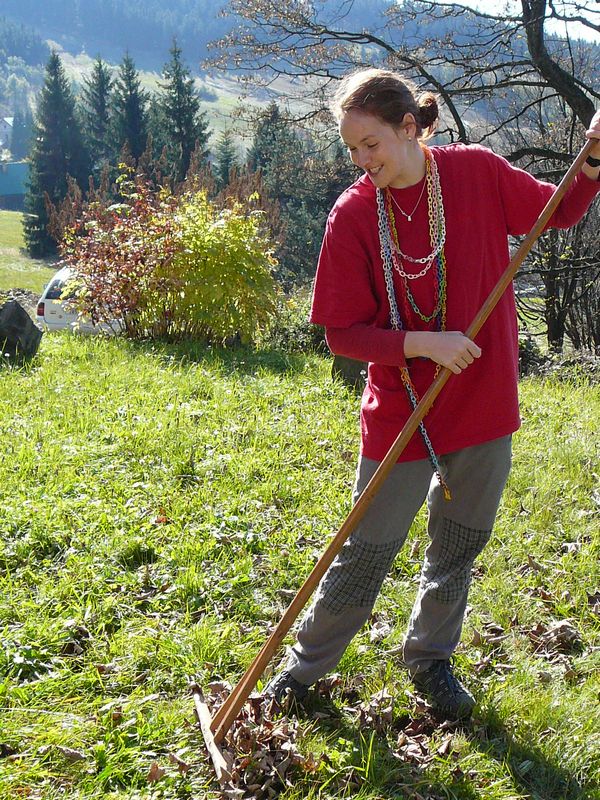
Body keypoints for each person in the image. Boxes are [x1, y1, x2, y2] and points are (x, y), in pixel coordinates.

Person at [265, 68, 600, 718]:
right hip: (401, 412)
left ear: (409, 128)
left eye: (372, 145)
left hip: (483, 404)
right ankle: (302, 674)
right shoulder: (355, 214)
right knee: (365, 553)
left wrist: (591, 156)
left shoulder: (475, 173)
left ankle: (429, 660)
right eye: (352, 150)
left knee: (457, 547)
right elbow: (341, 334)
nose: (362, 162)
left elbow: (559, 209)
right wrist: (424, 344)